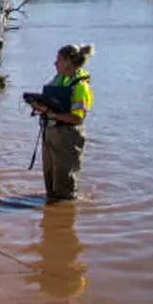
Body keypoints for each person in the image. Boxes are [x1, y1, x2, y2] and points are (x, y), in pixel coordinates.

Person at [29, 43, 95, 201]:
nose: (55, 63)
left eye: (58, 60)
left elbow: (77, 117)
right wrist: (37, 105)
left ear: (67, 62)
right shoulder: (59, 79)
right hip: (51, 133)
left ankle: (64, 216)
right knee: (50, 182)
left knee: (64, 187)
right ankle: (52, 217)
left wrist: (52, 114)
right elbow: (49, 101)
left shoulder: (81, 87)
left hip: (68, 137)